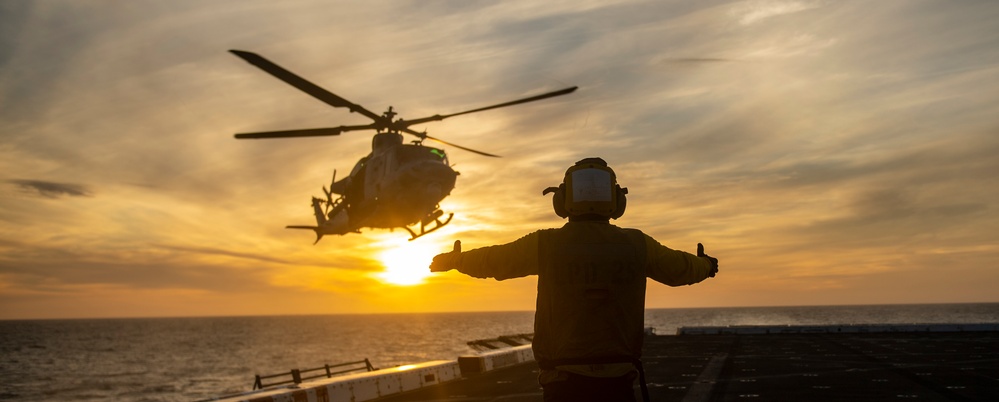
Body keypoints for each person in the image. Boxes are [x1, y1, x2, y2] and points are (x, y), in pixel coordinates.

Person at [429, 157, 719, 402]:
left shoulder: (545, 244)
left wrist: (454, 260)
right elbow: (681, 269)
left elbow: (493, 260)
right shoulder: (637, 244)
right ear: (618, 201)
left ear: (561, 200)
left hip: (562, 382)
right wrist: (706, 265)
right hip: (618, 379)